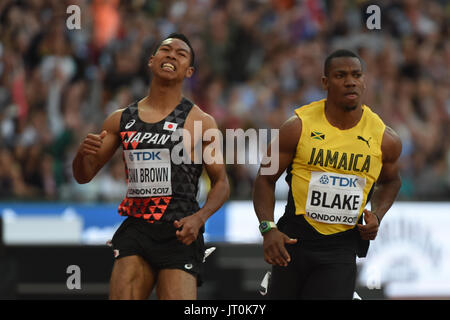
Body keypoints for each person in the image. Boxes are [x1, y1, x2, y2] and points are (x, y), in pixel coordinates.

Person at [72, 33, 229, 300]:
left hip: (179, 230)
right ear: (151, 60)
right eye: (165, 50)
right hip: (138, 228)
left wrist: (199, 219)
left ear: (189, 71)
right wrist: (80, 156)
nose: (171, 55)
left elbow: (221, 183)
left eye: (181, 54)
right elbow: (84, 176)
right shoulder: (120, 119)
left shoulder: (200, 122)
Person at [252, 49, 402, 299]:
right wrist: (268, 229)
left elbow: (392, 181)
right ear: (325, 82)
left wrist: (377, 214)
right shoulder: (297, 127)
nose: (350, 81)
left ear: (364, 81)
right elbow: (265, 179)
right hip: (293, 242)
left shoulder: (385, 139)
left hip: (340, 248)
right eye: (340, 75)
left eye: (356, 75)